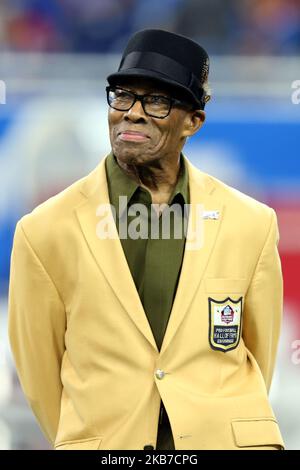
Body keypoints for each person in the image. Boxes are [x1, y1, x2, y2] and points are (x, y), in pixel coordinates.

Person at [8, 29, 285, 450]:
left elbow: (258, 358)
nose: (133, 113)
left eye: (157, 100)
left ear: (193, 122)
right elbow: (40, 375)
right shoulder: (43, 230)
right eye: (123, 96)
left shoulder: (252, 223)